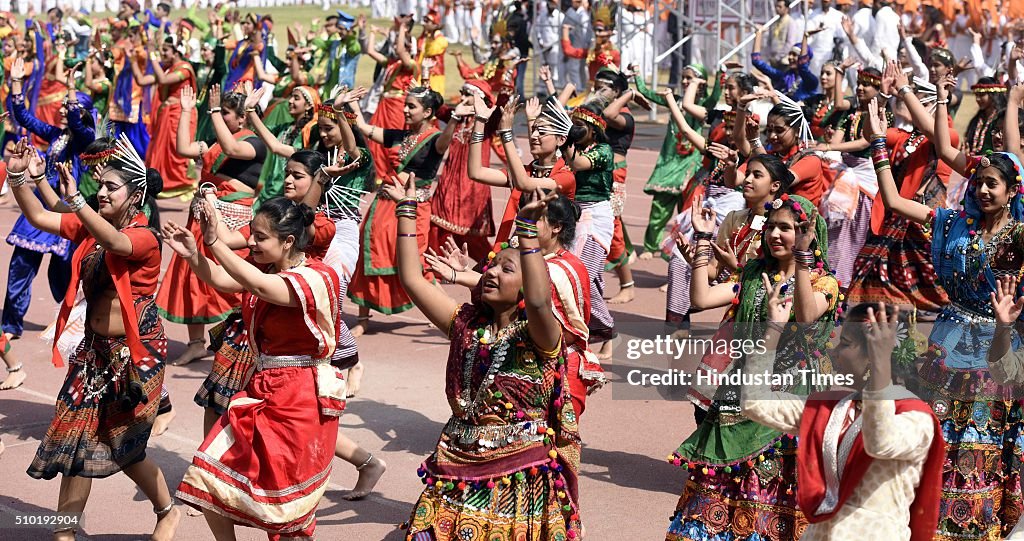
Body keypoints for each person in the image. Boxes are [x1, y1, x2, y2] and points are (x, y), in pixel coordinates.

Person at [871, 80, 1024, 538]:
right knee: (934, 424)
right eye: (977, 183)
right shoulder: (953, 220)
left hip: (996, 342)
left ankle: (974, 521)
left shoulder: (1019, 236)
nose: (981, 190)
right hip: (947, 336)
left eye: (991, 184)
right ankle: (927, 515)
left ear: (1012, 189)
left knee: (978, 434)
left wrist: (1013, 100)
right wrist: (879, 144)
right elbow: (897, 203)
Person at [8, 135, 180, 541]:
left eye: (109, 187)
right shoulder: (92, 227)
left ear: (135, 195)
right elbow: (39, 217)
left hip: (134, 356)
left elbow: (115, 242)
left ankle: (166, 511)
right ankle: (64, 532)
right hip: (94, 353)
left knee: (125, 448)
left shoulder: (145, 237)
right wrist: (18, 175)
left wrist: (76, 201)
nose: (100, 192)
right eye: (98, 186)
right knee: (77, 440)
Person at [392, 178, 583, 540]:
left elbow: (542, 302)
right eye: (492, 267)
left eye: (506, 269)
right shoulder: (466, 324)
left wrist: (526, 234)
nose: (492, 272)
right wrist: (405, 212)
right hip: (456, 458)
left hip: (518, 471)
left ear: (528, 283)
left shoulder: (540, 335)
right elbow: (412, 281)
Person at [666, 190, 839, 541]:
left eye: (787, 228)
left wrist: (803, 260)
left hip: (791, 395)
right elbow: (700, 299)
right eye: (771, 227)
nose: (775, 235)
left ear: (806, 232)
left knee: (775, 492)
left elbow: (805, 316)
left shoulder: (825, 283)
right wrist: (703, 240)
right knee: (721, 488)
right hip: (742, 387)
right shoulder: (753, 274)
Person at [170, 197, 344, 540]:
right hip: (262, 388)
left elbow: (260, 287)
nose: (251, 242)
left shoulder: (316, 277)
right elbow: (223, 278)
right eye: (252, 234)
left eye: (260, 237)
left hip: (300, 398)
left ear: (288, 241)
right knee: (206, 475)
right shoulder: (268, 269)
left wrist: (215, 242)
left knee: (284, 513)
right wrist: (193, 254)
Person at [742, 300, 944, 541]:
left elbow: (880, 441)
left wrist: (880, 374)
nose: (835, 353)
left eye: (845, 344)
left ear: (874, 355)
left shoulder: (916, 417)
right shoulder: (833, 408)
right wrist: (773, 329)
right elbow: (755, 403)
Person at [158, 86, 267, 368]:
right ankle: (196, 344)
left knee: (235, 278)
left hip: (231, 222)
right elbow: (183, 149)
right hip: (202, 215)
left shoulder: (254, 143)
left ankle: (243, 336)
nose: (219, 117)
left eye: (227, 113)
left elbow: (231, 148)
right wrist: (185, 110)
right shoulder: (214, 145)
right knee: (191, 278)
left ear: (242, 118)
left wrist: (214, 110)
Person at [343, 86, 455, 335]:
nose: (404, 109)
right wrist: (352, 105)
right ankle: (363, 317)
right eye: (405, 104)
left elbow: (447, 139)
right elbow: (364, 128)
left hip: (414, 207)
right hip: (384, 205)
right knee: (367, 251)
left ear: (427, 112)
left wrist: (455, 119)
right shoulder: (400, 136)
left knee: (417, 260)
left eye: (411, 106)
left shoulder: (436, 139)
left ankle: (448, 311)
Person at [4, 57, 94, 342]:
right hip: (40, 201)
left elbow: (79, 126)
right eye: (63, 108)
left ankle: (73, 320)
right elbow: (24, 118)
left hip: (65, 205)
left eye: (69, 109)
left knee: (63, 273)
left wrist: (70, 88)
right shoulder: (56, 134)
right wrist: (16, 82)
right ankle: (10, 324)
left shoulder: (85, 137)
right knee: (21, 263)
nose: (62, 112)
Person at [429, 80, 495, 261]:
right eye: (462, 93)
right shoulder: (459, 115)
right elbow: (438, 107)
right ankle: (434, 266)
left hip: (472, 184)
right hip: (450, 178)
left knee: (470, 235)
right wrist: (425, 77)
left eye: (468, 95)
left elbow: (502, 105)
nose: (463, 98)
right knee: (437, 223)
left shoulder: (488, 120)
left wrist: (507, 79)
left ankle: (491, 265)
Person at [128, 35, 197, 198]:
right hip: (166, 114)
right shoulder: (166, 69)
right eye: (161, 50)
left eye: (165, 50)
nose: (162, 54)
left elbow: (164, 80)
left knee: (176, 150)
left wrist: (152, 55)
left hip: (180, 114)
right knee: (162, 151)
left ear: (176, 52)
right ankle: (162, 184)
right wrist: (132, 61)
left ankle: (183, 183)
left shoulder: (185, 69)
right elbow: (142, 80)